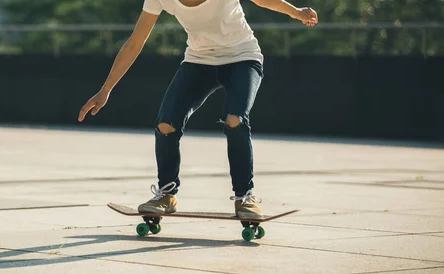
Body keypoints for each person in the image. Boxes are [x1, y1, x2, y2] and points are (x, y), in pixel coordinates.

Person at [78, 0, 318, 218]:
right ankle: (167, 194)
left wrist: (296, 12)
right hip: (199, 61)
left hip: (243, 57)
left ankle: (245, 196)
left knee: (235, 119)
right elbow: (135, 43)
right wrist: (106, 89)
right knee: (166, 124)